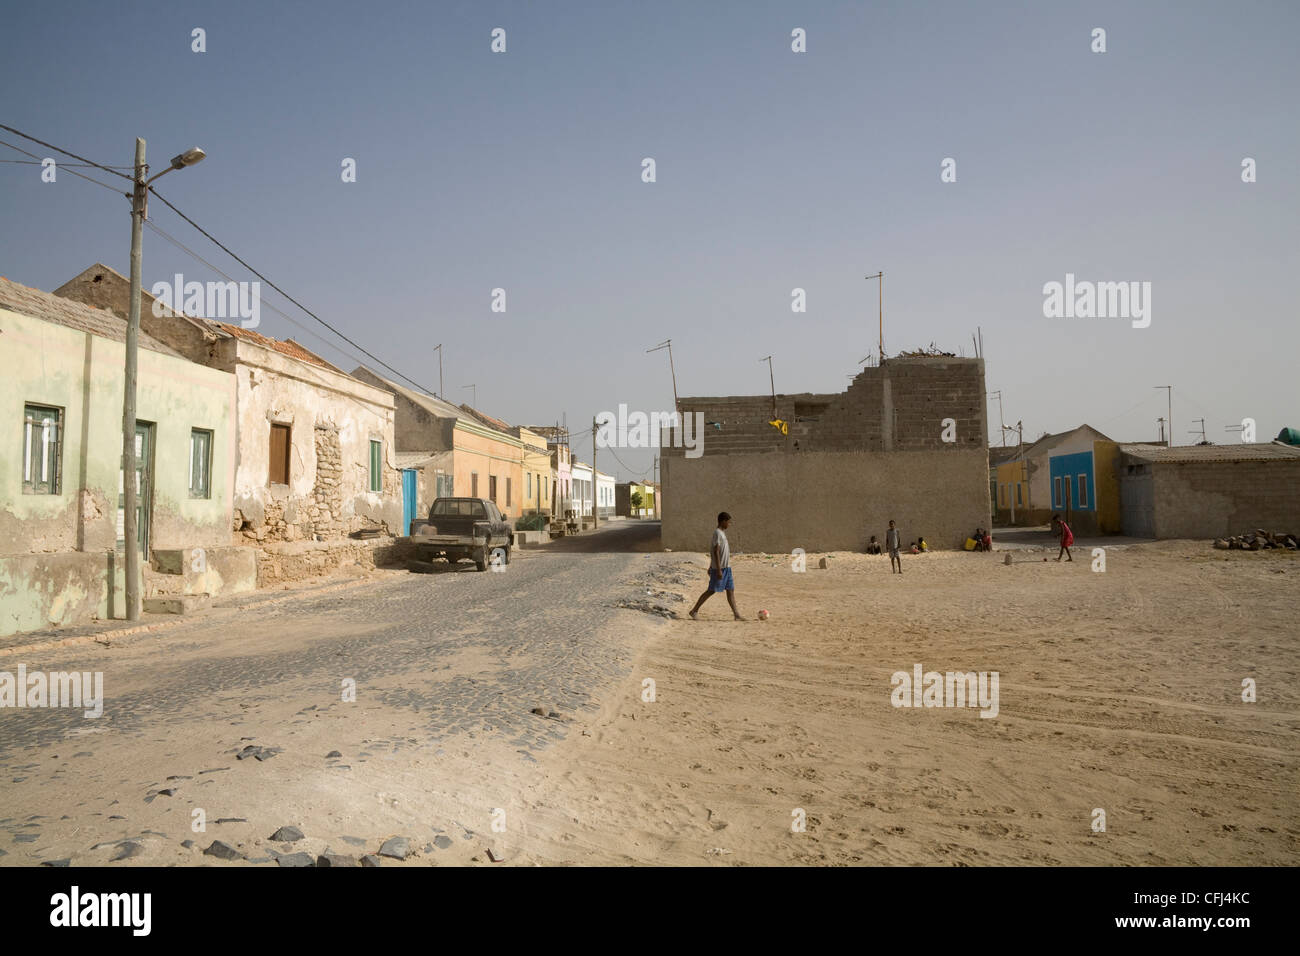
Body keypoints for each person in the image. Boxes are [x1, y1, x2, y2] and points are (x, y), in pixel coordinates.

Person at [689, 511, 743, 620]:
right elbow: (716, 551)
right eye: (728, 522)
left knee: (730, 590)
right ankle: (694, 611)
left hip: (727, 568)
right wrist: (717, 569)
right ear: (723, 521)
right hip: (720, 568)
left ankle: (737, 615)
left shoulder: (722, 533)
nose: (729, 524)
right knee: (711, 590)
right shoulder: (717, 533)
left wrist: (711, 565)